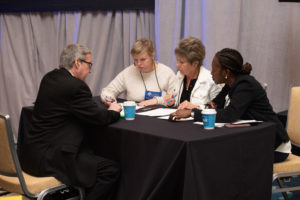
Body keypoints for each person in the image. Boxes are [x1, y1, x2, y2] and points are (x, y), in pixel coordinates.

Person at [19, 44, 122, 200]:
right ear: (77, 63)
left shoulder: (49, 78)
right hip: (51, 159)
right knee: (110, 171)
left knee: (90, 156)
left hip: (30, 155)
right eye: (89, 65)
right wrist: (114, 110)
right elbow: (99, 118)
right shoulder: (76, 87)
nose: (91, 70)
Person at [172, 48, 291, 163]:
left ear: (226, 72)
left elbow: (229, 115)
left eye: (214, 70)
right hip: (253, 139)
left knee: (222, 158)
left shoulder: (245, 85)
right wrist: (204, 108)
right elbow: (214, 104)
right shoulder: (230, 84)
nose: (211, 73)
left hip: (273, 144)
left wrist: (192, 113)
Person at [100, 38, 176, 106]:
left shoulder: (167, 73)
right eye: (136, 60)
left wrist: (156, 101)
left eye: (143, 60)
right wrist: (109, 99)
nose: (138, 64)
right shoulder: (128, 72)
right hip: (135, 117)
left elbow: (175, 98)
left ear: (152, 56)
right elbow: (107, 91)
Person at [155, 37, 221, 109]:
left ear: (195, 64)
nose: (177, 65)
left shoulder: (211, 80)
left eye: (182, 62)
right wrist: (171, 103)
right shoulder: (179, 76)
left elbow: (218, 108)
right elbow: (176, 102)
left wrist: (196, 107)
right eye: (177, 60)